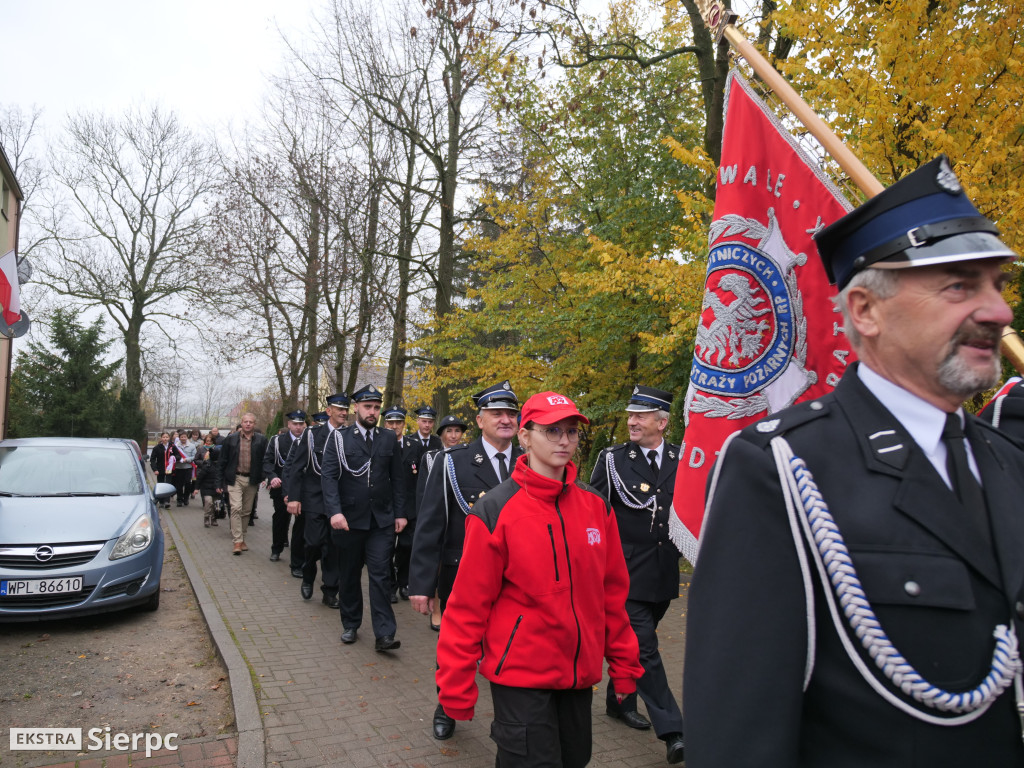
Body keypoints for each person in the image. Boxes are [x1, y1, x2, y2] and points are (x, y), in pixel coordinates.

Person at [684, 155, 1024, 767]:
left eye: (997, 284)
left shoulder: (1007, 460)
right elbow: (739, 733)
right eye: (960, 285)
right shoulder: (781, 468)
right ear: (864, 310)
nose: (998, 311)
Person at [436, 391, 643, 767]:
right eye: (552, 431)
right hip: (520, 677)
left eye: (571, 432)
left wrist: (625, 667)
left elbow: (611, 596)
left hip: (579, 677)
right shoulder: (495, 510)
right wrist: (455, 684)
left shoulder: (596, 506)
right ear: (525, 436)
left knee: (574, 760)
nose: (564, 440)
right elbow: (467, 606)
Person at [409, 380, 524, 740]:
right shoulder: (452, 462)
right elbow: (431, 525)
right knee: (457, 648)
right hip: (462, 574)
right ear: (480, 420)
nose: (505, 420)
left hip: (517, 580)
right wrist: (422, 585)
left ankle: (512, 719)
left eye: (511, 413)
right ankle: (446, 705)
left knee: (511, 650)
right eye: (496, 414)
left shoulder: (529, 460)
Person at [589, 385, 685, 764]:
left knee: (635, 647)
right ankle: (673, 730)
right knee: (645, 649)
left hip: (664, 574)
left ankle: (618, 698)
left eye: (641, 416)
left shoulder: (682, 458)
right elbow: (594, 513)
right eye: (630, 415)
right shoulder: (612, 459)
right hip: (624, 575)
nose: (631, 421)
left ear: (661, 422)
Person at [321, 384, 407, 651]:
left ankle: (384, 634)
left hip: (380, 520)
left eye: (376, 407)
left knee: (381, 574)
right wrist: (334, 512)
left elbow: (398, 479)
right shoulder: (338, 438)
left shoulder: (388, 438)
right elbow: (329, 478)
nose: (372, 412)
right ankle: (350, 624)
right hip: (348, 520)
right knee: (349, 574)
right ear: (355, 408)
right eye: (367, 407)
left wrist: (400, 513)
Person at [283, 394, 348, 605]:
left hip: (339, 501)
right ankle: (308, 575)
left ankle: (330, 591)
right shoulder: (312, 435)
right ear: (329, 411)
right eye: (339, 409)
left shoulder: (349, 435)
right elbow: (297, 467)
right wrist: (294, 497)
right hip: (314, 499)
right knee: (313, 543)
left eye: (346, 409)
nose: (343, 413)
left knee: (334, 547)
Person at [216, 412, 268, 556]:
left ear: (254, 424)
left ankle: (242, 537)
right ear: (241, 423)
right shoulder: (231, 440)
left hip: (252, 480)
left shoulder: (261, 440)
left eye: (251, 422)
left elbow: (266, 460)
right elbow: (222, 462)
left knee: (246, 511)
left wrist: (263, 476)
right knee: (236, 508)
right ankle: (237, 541)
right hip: (235, 479)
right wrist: (219, 482)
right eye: (245, 421)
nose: (248, 424)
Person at [382, 405, 418, 603]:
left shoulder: (414, 446)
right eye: (391, 422)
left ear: (404, 424)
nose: (395, 426)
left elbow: (420, 479)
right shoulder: (379, 444)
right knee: (385, 549)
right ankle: (390, 586)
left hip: (410, 507)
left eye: (398, 422)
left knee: (407, 547)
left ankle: (405, 582)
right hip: (386, 506)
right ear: (385, 423)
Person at [264, 411, 307, 565]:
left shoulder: (308, 440)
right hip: (281, 486)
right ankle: (276, 548)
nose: (298, 427)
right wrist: (272, 476)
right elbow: (268, 461)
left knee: (301, 523)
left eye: (301, 424)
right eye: (295, 424)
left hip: (302, 489)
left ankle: (299, 555)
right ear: (289, 425)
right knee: (281, 519)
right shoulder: (277, 441)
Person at [195, 433, 220, 527]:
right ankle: (206, 517)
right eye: (207, 441)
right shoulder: (207, 465)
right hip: (206, 488)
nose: (208, 442)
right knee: (208, 502)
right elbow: (200, 477)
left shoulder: (220, 467)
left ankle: (214, 518)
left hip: (216, 488)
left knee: (215, 504)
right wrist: (196, 488)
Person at [149, 432, 174, 509]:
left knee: (168, 485)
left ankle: (167, 501)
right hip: (160, 469)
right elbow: (152, 459)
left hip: (169, 469)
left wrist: (174, 458)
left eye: (167, 437)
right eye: (164, 437)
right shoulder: (157, 448)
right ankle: (161, 501)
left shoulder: (172, 447)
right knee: (161, 484)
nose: (165, 439)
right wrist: (155, 469)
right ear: (161, 438)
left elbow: (177, 455)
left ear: (169, 438)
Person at [173, 430, 196, 507]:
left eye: (184, 437)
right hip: (178, 467)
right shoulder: (175, 446)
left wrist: (187, 459)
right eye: (181, 437)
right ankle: (179, 499)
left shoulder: (192, 446)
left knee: (187, 484)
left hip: (188, 467)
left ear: (187, 437)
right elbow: (172, 455)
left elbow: (194, 456)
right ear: (179, 438)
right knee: (179, 485)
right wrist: (177, 459)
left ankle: (186, 498)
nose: (183, 438)